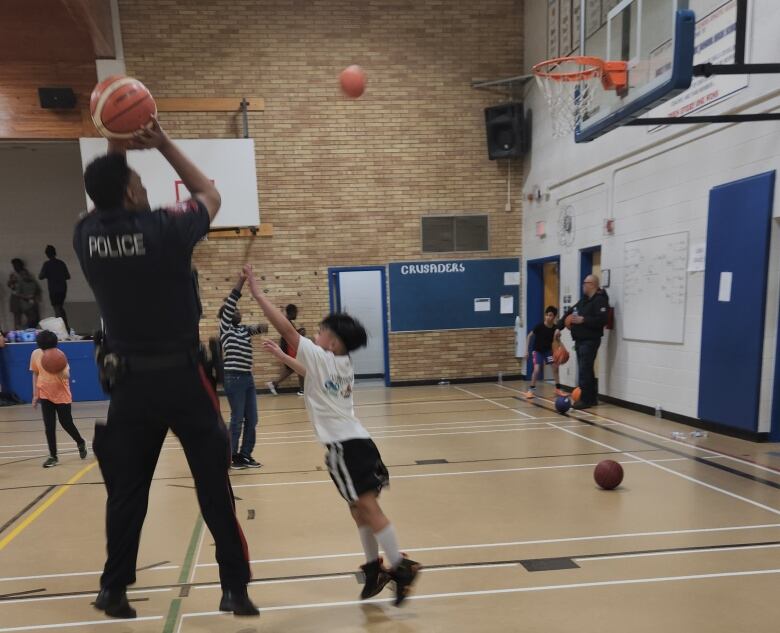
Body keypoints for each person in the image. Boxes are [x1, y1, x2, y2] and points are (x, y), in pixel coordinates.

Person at [73, 118, 258, 619]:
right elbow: (208, 194)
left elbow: (106, 196)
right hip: (182, 378)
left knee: (127, 492)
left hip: (129, 384)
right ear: (131, 196)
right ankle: (234, 590)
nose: (145, 187)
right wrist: (163, 143)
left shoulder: (86, 234)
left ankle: (113, 590)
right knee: (214, 488)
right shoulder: (164, 228)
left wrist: (114, 141)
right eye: (138, 184)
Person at [244, 264, 420, 606]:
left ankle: (401, 566)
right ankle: (375, 568)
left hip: (344, 446)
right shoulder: (340, 363)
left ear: (333, 342)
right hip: (359, 443)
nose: (317, 335)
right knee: (359, 509)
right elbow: (311, 371)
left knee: (366, 507)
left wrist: (258, 294)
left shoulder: (322, 356)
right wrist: (283, 356)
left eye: (322, 332)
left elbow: (287, 329)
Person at [218, 272, 268, 470]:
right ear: (227, 315)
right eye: (234, 311)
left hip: (248, 378)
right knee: (237, 419)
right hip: (234, 378)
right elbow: (231, 301)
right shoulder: (226, 329)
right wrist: (241, 281)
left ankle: (244, 455)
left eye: (239, 311)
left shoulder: (244, 330)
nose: (238, 312)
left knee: (252, 419)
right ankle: (229, 456)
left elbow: (263, 327)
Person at [30, 330, 87, 468]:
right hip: (45, 395)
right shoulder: (36, 354)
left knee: (66, 423)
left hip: (62, 395)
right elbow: (35, 374)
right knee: (49, 427)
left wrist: (57, 368)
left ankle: (80, 441)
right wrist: (35, 394)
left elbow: (66, 375)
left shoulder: (58, 356)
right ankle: (53, 456)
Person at [558, 274, 609, 410]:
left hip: (590, 340)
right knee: (586, 369)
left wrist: (584, 320)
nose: (583, 285)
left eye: (585, 283)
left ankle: (585, 400)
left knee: (585, 369)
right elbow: (569, 312)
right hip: (580, 340)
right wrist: (559, 327)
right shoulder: (584, 300)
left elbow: (602, 320)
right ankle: (591, 398)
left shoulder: (600, 301)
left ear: (592, 284)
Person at [524, 305, 564, 399]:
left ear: (554, 317)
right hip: (537, 351)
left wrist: (562, 348)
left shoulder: (555, 328)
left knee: (555, 367)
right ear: (545, 315)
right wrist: (526, 351)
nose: (548, 317)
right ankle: (531, 390)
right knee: (537, 369)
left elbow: (557, 340)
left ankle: (558, 389)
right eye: (547, 315)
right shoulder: (540, 326)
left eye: (551, 315)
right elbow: (529, 336)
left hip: (547, 351)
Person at [266, 304, 305, 396]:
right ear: (291, 313)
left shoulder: (288, 321)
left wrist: (299, 331)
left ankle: (274, 384)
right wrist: (301, 332)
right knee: (299, 365)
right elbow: (292, 334)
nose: (296, 315)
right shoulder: (287, 322)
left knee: (292, 368)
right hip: (288, 347)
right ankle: (302, 390)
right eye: (295, 313)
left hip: (288, 346)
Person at [39, 245, 71, 332]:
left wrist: (50, 274)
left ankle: (62, 328)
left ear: (47, 254)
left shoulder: (47, 264)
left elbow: (40, 276)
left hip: (54, 289)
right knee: (60, 307)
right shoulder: (61, 263)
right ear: (55, 253)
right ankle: (65, 326)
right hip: (63, 288)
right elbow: (68, 276)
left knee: (57, 308)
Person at [8, 258, 41, 329]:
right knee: (17, 319)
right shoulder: (13, 275)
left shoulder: (26, 274)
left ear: (21, 265)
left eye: (17, 265)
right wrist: (11, 281)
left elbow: (34, 286)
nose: (15, 267)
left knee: (32, 318)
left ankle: (27, 331)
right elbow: (11, 287)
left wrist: (34, 297)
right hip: (16, 300)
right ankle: (17, 335)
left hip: (27, 300)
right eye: (14, 265)